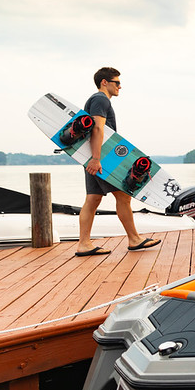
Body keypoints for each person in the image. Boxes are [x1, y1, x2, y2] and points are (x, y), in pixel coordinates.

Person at [75, 67, 161, 256]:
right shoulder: (100, 99)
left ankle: (84, 244)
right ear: (104, 82)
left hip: (93, 156)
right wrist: (97, 159)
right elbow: (97, 129)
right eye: (117, 82)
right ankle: (134, 239)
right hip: (102, 158)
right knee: (123, 196)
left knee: (93, 199)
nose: (120, 87)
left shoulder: (96, 100)